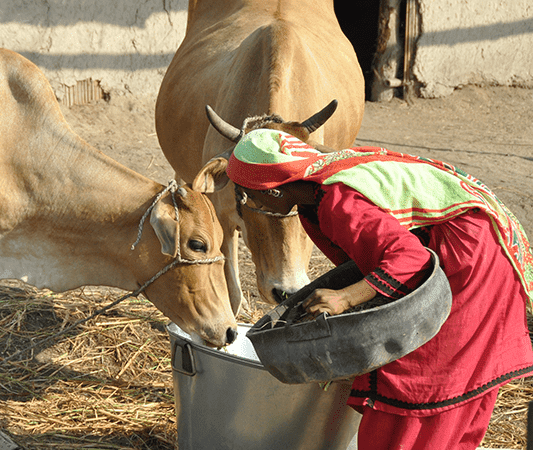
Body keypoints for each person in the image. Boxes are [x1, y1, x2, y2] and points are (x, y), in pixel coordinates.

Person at [224, 128, 533, 450]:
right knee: (456, 372)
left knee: (422, 379)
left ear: (273, 190)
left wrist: (346, 297)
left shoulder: (336, 200)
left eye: (246, 193)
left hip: (468, 260)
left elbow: (409, 257)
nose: (249, 203)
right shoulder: (318, 190)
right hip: (474, 244)